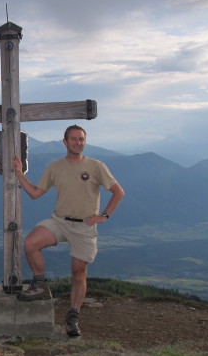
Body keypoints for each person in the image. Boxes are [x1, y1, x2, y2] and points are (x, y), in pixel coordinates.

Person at [12, 125, 124, 337]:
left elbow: (118, 192)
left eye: (81, 139)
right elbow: (36, 193)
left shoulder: (96, 166)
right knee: (31, 244)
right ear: (64, 142)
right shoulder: (55, 167)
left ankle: (73, 317)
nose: (78, 143)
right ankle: (40, 285)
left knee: (78, 273)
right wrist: (19, 173)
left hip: (85, 226)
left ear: (85, 141)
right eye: (73, 139)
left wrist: (105, 215)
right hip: (60, 221)